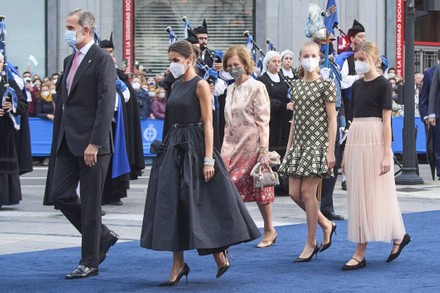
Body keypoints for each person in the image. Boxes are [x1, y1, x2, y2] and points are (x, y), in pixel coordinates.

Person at [140, 40, 260, 286]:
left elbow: (208, 122)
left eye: (175, 59)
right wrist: (164, 148)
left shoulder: (201, 84)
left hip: (195, 147)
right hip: (174, 146)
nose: (172, 64)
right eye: (170, 60)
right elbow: (170, 120)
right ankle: (178, 263)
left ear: (189, 59)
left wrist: (208, 159)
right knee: (174, 203)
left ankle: (218, 252)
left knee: (202, 202)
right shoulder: (175, 85)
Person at [50, 9, 118, 279]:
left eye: (70, 27)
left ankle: (89, 261)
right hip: (68, 140)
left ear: (86, 30)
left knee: (90, 204)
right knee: (60, 195)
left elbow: (105, 105)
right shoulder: (69, 60)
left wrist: (95, 143)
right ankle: (101, 236)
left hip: (92, 144)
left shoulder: (102, 59)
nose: (67, 31)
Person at [341, 41, 410, 270]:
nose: (358, 63)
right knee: (360, 194)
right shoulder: (358, 85)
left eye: (362, 59)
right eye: (356, 60)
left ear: (373, 59)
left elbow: (387, 122)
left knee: (373, 195)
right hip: (357, 138)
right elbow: (353, 120)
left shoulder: (382, 84)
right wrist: (346, 152)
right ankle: (399, 235)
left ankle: (360, 252)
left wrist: (385, 154)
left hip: (374, 139)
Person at [278, 41, 337, 262]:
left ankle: (311, 242)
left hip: (318, 143)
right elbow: (295, 120)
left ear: (319, 58)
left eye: (314, 55)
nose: (310, 59)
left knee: (307, 194)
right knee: (293, 193)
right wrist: (289, 146)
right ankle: (325, 223)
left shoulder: (326, 85)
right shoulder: (296, 85)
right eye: (306, 55)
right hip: (299, 144)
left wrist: (330, 150)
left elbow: (332, 119)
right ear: (300, 58)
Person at [220, 45, 277, 249]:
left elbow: (263, 120)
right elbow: (227, 121)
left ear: (245, 64)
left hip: (252, 146)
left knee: (261, 187)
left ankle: (269, 229)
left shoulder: (257, 87)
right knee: (226, 189)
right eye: (230, 65)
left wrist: (264, 150)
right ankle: (232, 230)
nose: (233, 68)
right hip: (230, 146)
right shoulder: (229, 89)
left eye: (237, 64)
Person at [313, 29, 345, 221]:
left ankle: (327, 204)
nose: (329, 44)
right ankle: (314, 204)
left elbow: (340, 92)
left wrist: (342, 121)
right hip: (319, 118)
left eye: (331, 41)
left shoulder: (332, 63)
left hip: (336, 114)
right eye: (325, 41)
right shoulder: (314, 64)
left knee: (333, 164)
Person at [335, 19, 366, 191]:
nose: (363, 39)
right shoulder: (345, 58)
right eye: (360, 36)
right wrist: (358, 78)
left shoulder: (366, 55)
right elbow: (342, 81)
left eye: (364, 36)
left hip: (362, 101)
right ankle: (347, 177)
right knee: (348, 139)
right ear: (352, 38)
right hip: (348, 102)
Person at [0, 54, 28, 208]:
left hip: (5, 131)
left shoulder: (9, 83)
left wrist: (13, 107)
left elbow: (23, 104)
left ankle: (5, 196)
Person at [257, 51, 291, 153]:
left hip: (284, 118)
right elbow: (264, 100)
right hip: (271, 118)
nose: (277, 64)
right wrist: (283, 105)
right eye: (274, 61)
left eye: (279, 61)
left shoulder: (283, 78)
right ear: (267, 63)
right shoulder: (262, 80)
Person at [420, 49, 440, 180]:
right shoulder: (432, 71)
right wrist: (429, 114)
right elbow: (429, 94)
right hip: (437, 114)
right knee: (438, 145)